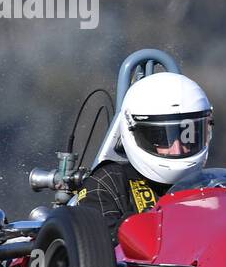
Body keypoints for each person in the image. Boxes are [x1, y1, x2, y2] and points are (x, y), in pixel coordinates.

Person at [76, 72, 213, 241]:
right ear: (136, 132)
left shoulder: (212, 185)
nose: (177, 148)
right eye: (163, 138)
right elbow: (97, 249)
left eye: (189, 135)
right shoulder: (109, 182)